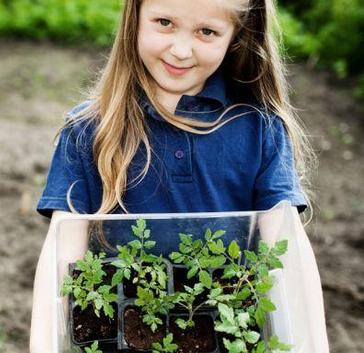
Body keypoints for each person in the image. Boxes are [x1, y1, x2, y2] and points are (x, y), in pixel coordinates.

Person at [30, 0, 329, 352]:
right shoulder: (88, 131)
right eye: (165, 22)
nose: (181, 50)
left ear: (237, 36)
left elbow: (288, 246)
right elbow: (62, 256)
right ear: (134, 18)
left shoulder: (260, 130)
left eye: (207, 31)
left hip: (232, 331)